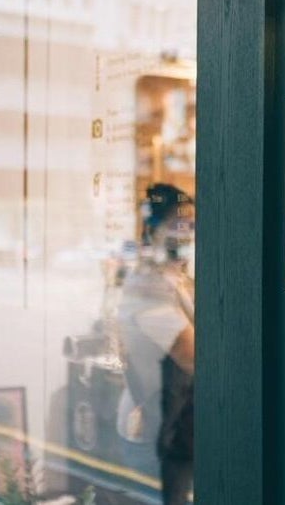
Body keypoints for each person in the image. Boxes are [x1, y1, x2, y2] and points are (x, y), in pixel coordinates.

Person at [116, 183, 194, 505]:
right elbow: (193, 356)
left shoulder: (179, 278)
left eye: (192, 223)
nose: (187, 232)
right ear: (152, 231)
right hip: (157, 430)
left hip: (178, 427)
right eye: (177, 223)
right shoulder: (147, 286)